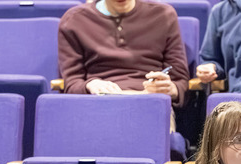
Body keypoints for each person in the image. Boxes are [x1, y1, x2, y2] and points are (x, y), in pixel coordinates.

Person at [58, 0, 189, 106]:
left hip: (150, 101)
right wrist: (89, 85)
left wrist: (169, 89)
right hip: (98, 102)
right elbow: (72, 84)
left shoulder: (163, 15)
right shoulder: (74, 20)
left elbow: (180, 82)